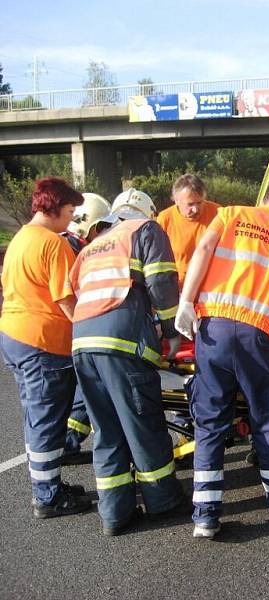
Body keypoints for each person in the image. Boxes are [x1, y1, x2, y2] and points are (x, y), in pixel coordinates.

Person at [175, 180, 269, 540]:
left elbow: (203, 250)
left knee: (210, 422)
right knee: (266, 419)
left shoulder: (232, 214)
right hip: (262, 337)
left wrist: (186, 301)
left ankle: (205, 516)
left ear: (263, 200)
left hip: (215, 329)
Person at [70, 188, 186, 536]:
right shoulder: (144, 231)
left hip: (82, 342)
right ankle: (163, 501)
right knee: (142, 423)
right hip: (121, 342)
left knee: (106, 430)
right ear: (146, 212)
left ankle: (115, 514)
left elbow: (75, 286)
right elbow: (162, 282)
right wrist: (173, 331)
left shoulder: (94, 244)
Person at [0, 178, 92, 518]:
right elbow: (67, 299)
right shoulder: (53, 245)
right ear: (53, 209)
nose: (71, 219)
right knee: (47, 421)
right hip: (43, 341)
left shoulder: (20, 239)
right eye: (69, 211)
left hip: (14, 335)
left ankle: (48, 485)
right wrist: (87, 331)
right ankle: (48, 496)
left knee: (34, 417)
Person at [61, 192, 112, 460]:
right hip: (73, 328)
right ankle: (68, 440)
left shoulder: (67, 244)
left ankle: (68, 440)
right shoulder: (73, 250)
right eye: (100, 226)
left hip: (64, 331)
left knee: (82, 386)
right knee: (87, 384)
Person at [156, 174, 220, 289]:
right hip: (178, 288)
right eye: (190, 204)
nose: (195, 209)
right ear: (176, 201)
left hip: (210, 288)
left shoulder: (218, 214)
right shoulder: (165, 219)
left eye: (200, 203)